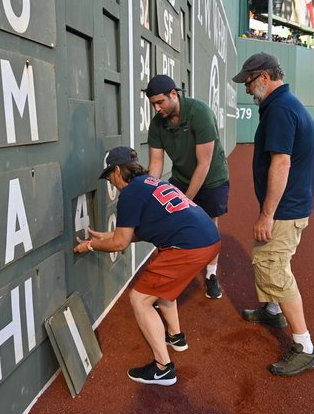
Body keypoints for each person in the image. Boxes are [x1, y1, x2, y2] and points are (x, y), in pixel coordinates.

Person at [74, 146, 221, 386]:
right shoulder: (150, 183)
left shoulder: (130, 194)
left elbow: (120, 243)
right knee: (161, 286)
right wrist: (106, 237)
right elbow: (142, 229)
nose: (110, 181)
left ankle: (163, 368)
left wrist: (90, 245)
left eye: (109, 175)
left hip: (189, 246)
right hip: (208, 238)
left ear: (118, 170)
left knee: (140, 298)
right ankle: (176, 337)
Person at [231, 52, 314, 376]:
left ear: (264, 77)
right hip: (289, 205)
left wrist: (267, 214)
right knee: (266, 257)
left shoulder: (281, 110)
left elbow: (281, 163)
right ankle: (273, 310)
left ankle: (306, 347)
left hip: (284, 210)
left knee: (273, 267)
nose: (246, 89)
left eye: (248, 81)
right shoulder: (282, 105)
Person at [144, 74, 230, 299]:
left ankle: (211, 274)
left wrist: (187, 202)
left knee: (209, 224)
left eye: (160, 102)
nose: (156, 108)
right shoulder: (157, 123)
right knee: (171, 223)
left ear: (174, 94)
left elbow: (204, 164)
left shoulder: (199, 112)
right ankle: (174, 276)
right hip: (181, 177)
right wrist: (149, 193)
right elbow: (155, 163)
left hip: (211, 178)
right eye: (153, 103)